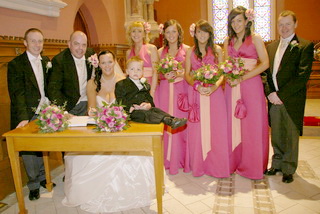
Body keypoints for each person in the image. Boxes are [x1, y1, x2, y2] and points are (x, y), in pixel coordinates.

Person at [62, 51, 156, 213]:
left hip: (121, 128)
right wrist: (95, 113)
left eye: (109, 62)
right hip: (101, 127)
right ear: (98, 64)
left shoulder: (124, 82)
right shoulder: (92, 83)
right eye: (103, 62)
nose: (107, 66)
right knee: (82, 156)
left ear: (115, 63)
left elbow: (131, 107)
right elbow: (91, 107)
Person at [264, 10, 314, 183]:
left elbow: (302, 77)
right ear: (277, 26)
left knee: (291, 135)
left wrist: (281, 95)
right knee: (276, 133)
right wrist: (269, 93)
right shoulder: (270, 47)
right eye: (281, 24)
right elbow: (266, 73)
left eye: (288, 24)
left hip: (291, 100)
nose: (284, 28)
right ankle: (276, 164)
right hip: (273, 99)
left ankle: (288, 168)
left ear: (295, 24)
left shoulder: (304, 46)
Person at [7, 28, 55, 201]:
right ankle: (33, 184)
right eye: (33, 41)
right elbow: (17, 93)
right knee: (29, 152)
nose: (37, 44)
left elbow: (49, 87)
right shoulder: (16, 64)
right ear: (25, 43)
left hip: (45, 112)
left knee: (43, 147)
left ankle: (43, 178)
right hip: (27, 113)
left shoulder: (46, 62)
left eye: (40, 41)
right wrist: (22, 118)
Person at [223, 6, 269, 180]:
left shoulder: (255, 38)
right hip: (231, 86)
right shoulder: (228, 40)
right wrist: (229, 76)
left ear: (247, 21)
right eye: (233, 21)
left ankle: (252, 165)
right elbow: (226, 63)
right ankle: (234, 162)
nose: (236, 24)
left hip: (251, 86)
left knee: (252, 126)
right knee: (232, 124)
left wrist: (242, 78)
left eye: (239, 20)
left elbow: (265, 63)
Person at [184, 20, 230, 178]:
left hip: (214, 94)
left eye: (205, 31)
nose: (201, 35)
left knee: (216, 129)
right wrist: (196, 86)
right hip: (196, 94)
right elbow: (187, 74)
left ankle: (215, 165)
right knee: (197, 130)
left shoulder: (217, 50)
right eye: (198, 31)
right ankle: (199, 164)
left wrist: (214, 87)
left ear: (210, 33)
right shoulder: (191, 51)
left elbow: (222, 72)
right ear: (195, 34)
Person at [115, 56, 187, 129]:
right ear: (127, 71)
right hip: (132, 112)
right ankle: (168, 121)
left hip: (144, 108)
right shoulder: (121, 84)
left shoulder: (144, 84)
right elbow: (120, 100)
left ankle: (173, 119)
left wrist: (148, 104)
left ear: (142, 72)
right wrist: (132, 107)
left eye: (138, 69)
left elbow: (149, 98)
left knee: (155, 110)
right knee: (145, 114)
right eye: (132, 69)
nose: (135, 71)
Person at [157, 19, 190, 175]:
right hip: (164, 91)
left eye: (174, 31)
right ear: (164, 34)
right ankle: (167, 159)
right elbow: (156, 73)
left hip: (181, 90)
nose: (171, 35)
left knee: (181, 122)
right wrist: (164, 74)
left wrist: (179, 73)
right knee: (165, 123)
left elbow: (190, 72)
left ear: (179, 33)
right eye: (168, 32)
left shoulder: (188, 50)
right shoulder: (159, 52)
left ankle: (181, 159)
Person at [48, 31, 94, 115]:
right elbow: (54, 89)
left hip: (88, 104)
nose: (80, 48)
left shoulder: (91, 55)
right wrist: (63, 111)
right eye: (76, 44)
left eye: (84, 45)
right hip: (69, 106)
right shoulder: (59, 61)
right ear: (69, 44)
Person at [126, 21, 159, 102]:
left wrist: (152, 91)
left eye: (139, 31)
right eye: (133, 31)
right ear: (130, 34)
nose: (136, 34)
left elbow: (156, 71)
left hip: (150, 85)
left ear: (144, 34)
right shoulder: (128, 52)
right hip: (134, 88)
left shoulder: (151, 48)